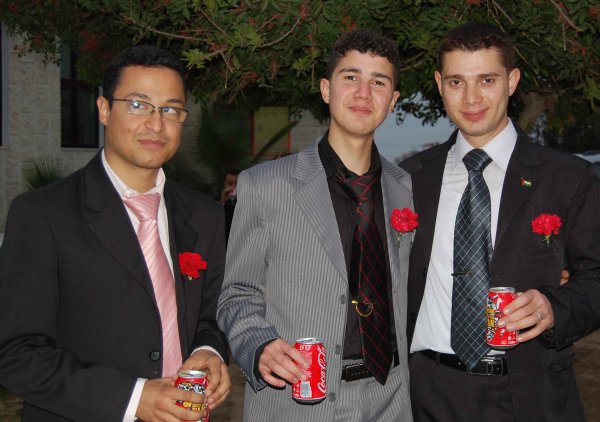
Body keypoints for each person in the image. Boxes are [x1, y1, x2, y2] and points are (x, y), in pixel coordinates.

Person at [0, 45, 231, 422]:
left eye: (170, 109)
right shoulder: (43, 214)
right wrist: (134, 398)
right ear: (104, 109)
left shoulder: (204, 215)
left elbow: (211, 316)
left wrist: (210, 351)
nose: (156, 125)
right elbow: (16, 353)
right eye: (139, 105)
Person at [400, 22, 600, 421]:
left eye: (486, 80)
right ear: (440, 84)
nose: (471, 97)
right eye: (456, 82)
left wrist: (554, 306)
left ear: (512, 81)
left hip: (530, 394)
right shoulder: (409, 178)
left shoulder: (568, 177)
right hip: (427, 394)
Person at [217, 29, 413, 421]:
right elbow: (237, 293)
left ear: (392, 101)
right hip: (299, 402)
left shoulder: (403, 187)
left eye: (379, 82)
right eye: (350, 77)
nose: (363, 93)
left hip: (390, 399)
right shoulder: (265, 185)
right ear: (326, 89)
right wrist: (259, 344)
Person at [220, 168, 240, 240]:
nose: (233, 187)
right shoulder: (217, 203)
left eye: (237, 184)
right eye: (230, 183)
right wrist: (223, 203)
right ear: (224, 184)